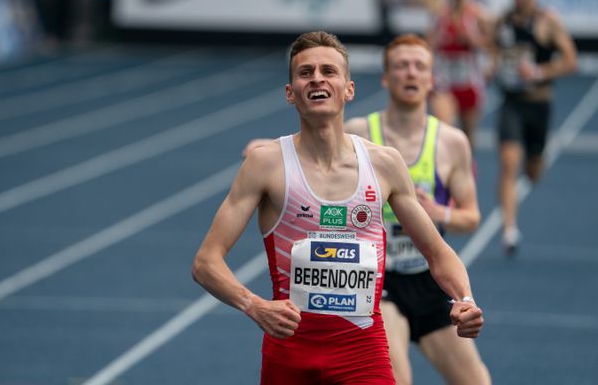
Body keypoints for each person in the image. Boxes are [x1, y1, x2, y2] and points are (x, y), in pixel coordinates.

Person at [193, 31, 484, 385]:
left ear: (348, 89)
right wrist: (254, 305)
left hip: (362, 352)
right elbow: (206, 262)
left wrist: (465, 298)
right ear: (290, 93)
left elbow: (438, 253)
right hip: (289, 353)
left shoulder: (384, 165)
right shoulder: (265, 165)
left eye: (329, 71)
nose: (317, 78)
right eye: (305, 72)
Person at [343, 34, 491, 385]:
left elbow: (472, 216)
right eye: (401, 66)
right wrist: (273, 149)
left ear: (431, 79)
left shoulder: (452, 142)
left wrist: (438, 214)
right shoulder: (359, 133)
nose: (410, 73)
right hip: (378, 281)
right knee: (395, 379)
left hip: (428, 280)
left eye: (419, 66)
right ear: (385, 77)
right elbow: (313, 155)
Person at [492, 0, 577, 253]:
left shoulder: (547, 22)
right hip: (511, 102)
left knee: (533, 171)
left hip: (539, 104)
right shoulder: (502, 21)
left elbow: (571, 60)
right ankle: (509, 230)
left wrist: (538, 72)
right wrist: (491, 66)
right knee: (508, 164)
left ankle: (535, 160)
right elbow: (491, 49)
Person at [426, 0, 493, 149]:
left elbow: (492, 47)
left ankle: (466, 170)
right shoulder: (439, 14)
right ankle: (446, 171)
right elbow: (427, 45)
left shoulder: (479, 15)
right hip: (444, 83)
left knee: (468, 138)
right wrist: (437, 40)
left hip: (470, 83)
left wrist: (472, 40)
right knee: (443, 132)